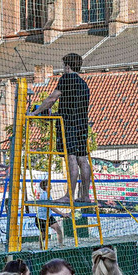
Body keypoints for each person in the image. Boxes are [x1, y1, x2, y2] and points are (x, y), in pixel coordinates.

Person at [33, 53, 92, 203]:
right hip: (82, 124)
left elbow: (52, 98)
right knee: (82, 159)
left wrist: (36, 112)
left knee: (71, 157)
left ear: (67, 66)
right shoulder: (84, 84)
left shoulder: (66, 79)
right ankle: (85, 195)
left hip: (69, 124)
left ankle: (69, 196)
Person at [34, 179, 66, 247]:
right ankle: (41, 247)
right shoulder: (45, 195)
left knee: (58, 229)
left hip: (48, 216)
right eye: (49, 184)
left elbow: (52, 206)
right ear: (46, 186)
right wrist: (62, 214)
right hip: (41, 218)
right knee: (43, 234)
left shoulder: (48, 194)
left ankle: (61, 245)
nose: (51, 185)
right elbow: (52, 207)